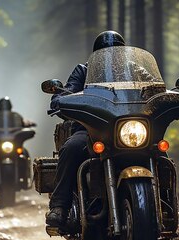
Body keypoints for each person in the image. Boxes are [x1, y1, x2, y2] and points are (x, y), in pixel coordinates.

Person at [45, 31, 126, 228]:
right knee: (71, 148)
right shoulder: (83, 71)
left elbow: (153, 89)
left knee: (158, 149)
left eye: (115, 51)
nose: (110, 55)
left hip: (126, 132)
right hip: (90, 130)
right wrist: (61, 100)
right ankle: (60, 207)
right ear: (96, 54)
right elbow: (68, 91)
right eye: (105, 51)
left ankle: (164, 202)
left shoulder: (132, 70)